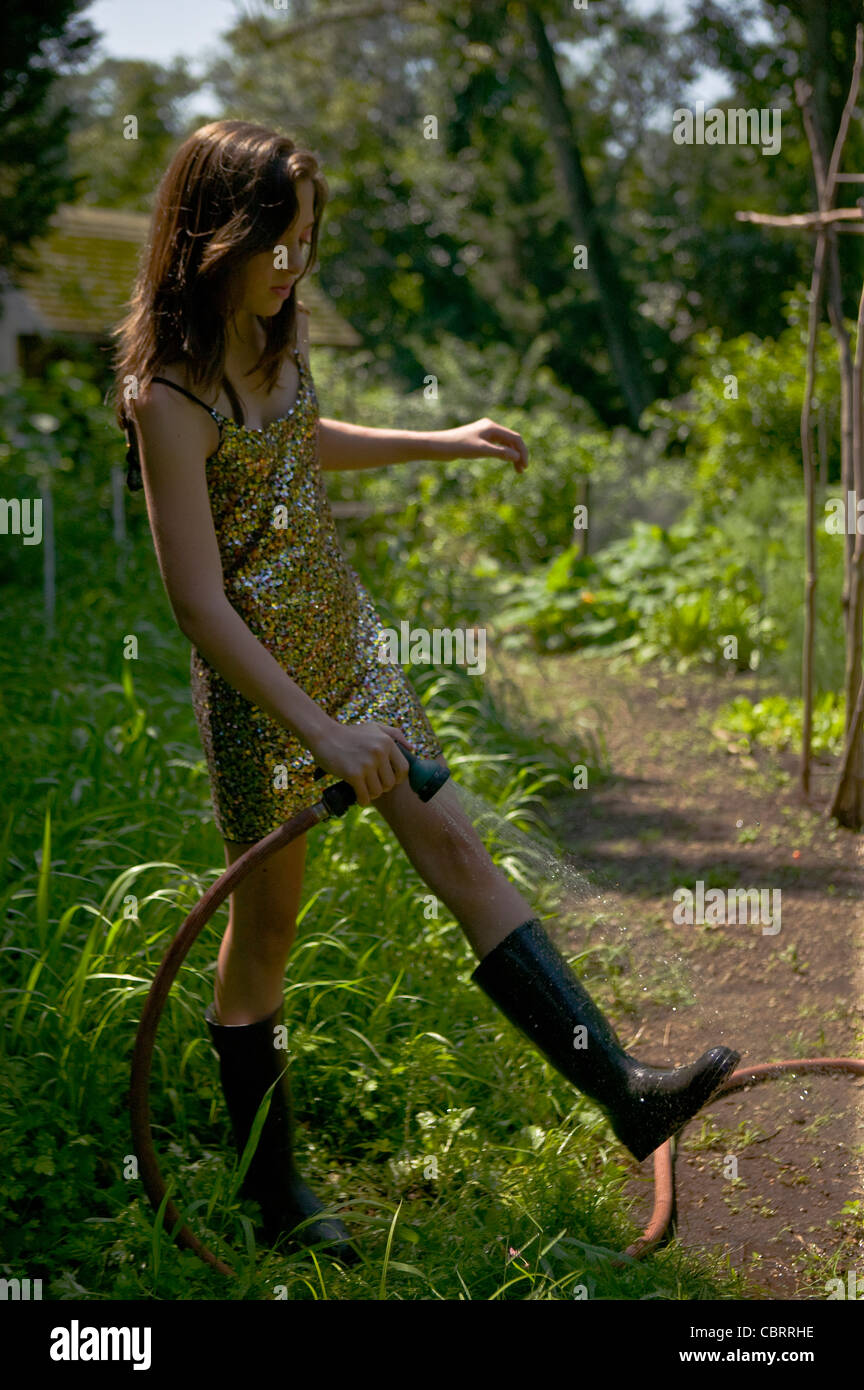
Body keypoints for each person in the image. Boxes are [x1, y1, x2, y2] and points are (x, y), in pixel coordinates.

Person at [113, 119, 739, 1267]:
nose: (298, 267)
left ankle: (624, 1092)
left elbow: (304, 441)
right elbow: (197, 603)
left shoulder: (275, 334)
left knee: (456, 847)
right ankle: (274, 1191)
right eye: (280, 245)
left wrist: (441, 438)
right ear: (215, 236)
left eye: (309, 242)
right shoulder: (168, 396)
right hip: (266, 697)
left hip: (352, 652)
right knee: (266, 934)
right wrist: (324, 735)